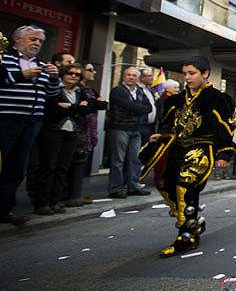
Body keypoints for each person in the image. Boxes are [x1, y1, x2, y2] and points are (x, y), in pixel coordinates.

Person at [140, 56, 236, 257]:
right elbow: (167, 124)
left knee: (185, 188)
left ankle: (187, 236)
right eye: (185, 74)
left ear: (205, 74)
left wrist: (225, 152)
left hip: (200, 150)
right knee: (165, 186)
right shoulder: (175, 100)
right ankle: (191, 222)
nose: (187, 78)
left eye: (192, 73)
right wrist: (162, 135)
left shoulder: (217, 98)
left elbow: (225, 128)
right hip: (176, 150)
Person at [0, 26, 60, 224]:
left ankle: (5, 209)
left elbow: (50, 94)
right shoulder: (5, 59)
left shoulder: (41, 64)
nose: (36, 44)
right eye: (32, 39)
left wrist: (53, 78)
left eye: (40, 41)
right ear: (17, 39)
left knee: (16, 167)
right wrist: (22, 76)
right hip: (7, 118)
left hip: (32, 120)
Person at [33, 62, 94, 214]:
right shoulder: (55, 88)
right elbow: (53, 108)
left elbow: (87, 108)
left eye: (77, 74)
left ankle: (55, 201)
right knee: (48, 167)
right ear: (63, 74)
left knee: (62, 167)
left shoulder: (79, 90)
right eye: (70, 73)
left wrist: (68, 107)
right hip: (53, 131)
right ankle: (42, 203)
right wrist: (75, 108)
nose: (73, 76)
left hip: (71, 132)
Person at [107, 67, 153, 198]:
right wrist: (137, 108)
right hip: (120, 128)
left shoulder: (139, 91)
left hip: (135, 128)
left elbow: (148, 107)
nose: (131, 77)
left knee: (135, 159)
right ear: (123, 76)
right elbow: (128, 105)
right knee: (118, 160)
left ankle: (133, 186)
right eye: (128, 75)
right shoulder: (118, 91)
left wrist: (135, 108)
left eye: (134, 75)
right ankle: (115, 188)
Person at [65, 61, 107, 206]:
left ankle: (75, 193)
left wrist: (91, 103)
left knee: (80, 164)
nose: (94, 72)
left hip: (89, 131)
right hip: (77, 130)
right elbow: (85, 106)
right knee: (69, 164)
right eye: (90, 70)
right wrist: (90, 104)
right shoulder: (78, 90)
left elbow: (102, 104)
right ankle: (66, 195)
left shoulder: (90, 90)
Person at [136, 69, 158, 146]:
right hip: (139, 125)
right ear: (141, 78)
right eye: (149, 76)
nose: (152, 78)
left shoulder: (149, 90)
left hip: (149, 126)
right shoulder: (137, 90)